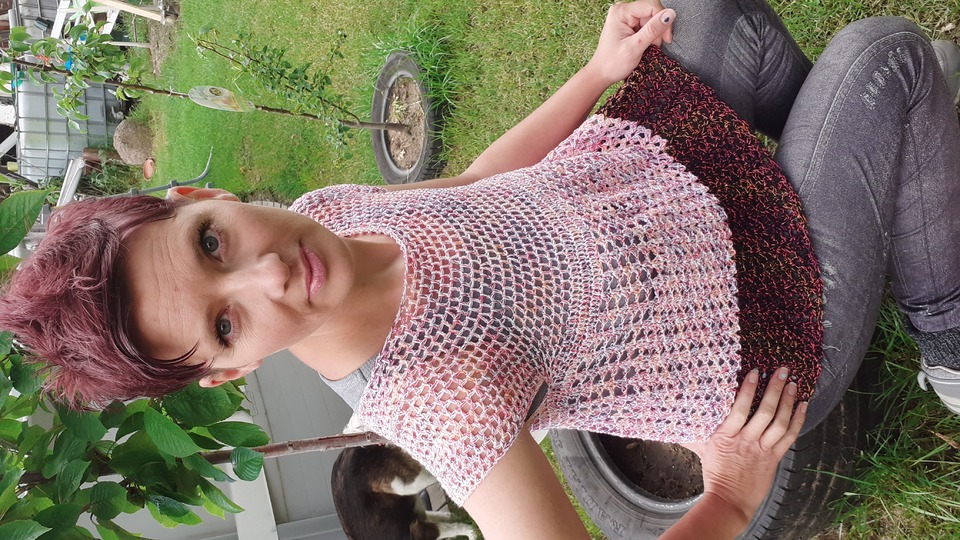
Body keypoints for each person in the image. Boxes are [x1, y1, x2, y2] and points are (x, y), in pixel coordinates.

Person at [2, 0, 959, 537]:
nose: (269, 277)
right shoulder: (439, 399)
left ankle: (883, 163)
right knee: (884, 58)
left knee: (706, 12)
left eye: (212, 243)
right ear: (230, 371)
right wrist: (735, 492)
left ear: (193, 197)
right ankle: (949, 334)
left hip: (668, 185)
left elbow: (470, 185)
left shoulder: (324, 216)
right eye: (226, 323)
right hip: (752, 329)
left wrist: (596, 72)